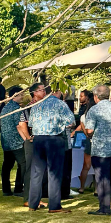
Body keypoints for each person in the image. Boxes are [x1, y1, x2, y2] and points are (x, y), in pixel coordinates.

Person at [27, 82, 75, 213]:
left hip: (38, 139)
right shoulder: (60, 104)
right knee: (54, 173)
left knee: (36, 172)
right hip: (54, 138)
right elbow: (71, 122)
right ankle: (54, 206)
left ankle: (33, 203)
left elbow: (30, 123)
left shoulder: (37, 104)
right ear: (58, 91)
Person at [84, 84, 111, 216]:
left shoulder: (94, 110)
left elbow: (89, 131)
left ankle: (104, 208)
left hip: (101, 149)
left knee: (102, 179)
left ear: (95, 97)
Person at [0, 86, 26, 196]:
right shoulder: (16, 109)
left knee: (7, 165)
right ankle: (18, 188)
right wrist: (26, 138)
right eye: (21, 94)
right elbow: (19, 125)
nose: (23, 96)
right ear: (15, 95)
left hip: (6, 141)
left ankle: (6, 189)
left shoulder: (5, 108)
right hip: (16, 141)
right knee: (23, 164)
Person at [74, 88, 96, 193]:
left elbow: (84, 130)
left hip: (88, 140)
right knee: (98, 166)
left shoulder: (83, 116)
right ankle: (97, 189)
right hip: (99, 142)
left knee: (86, 166)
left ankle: (81, 187)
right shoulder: (98, 115)